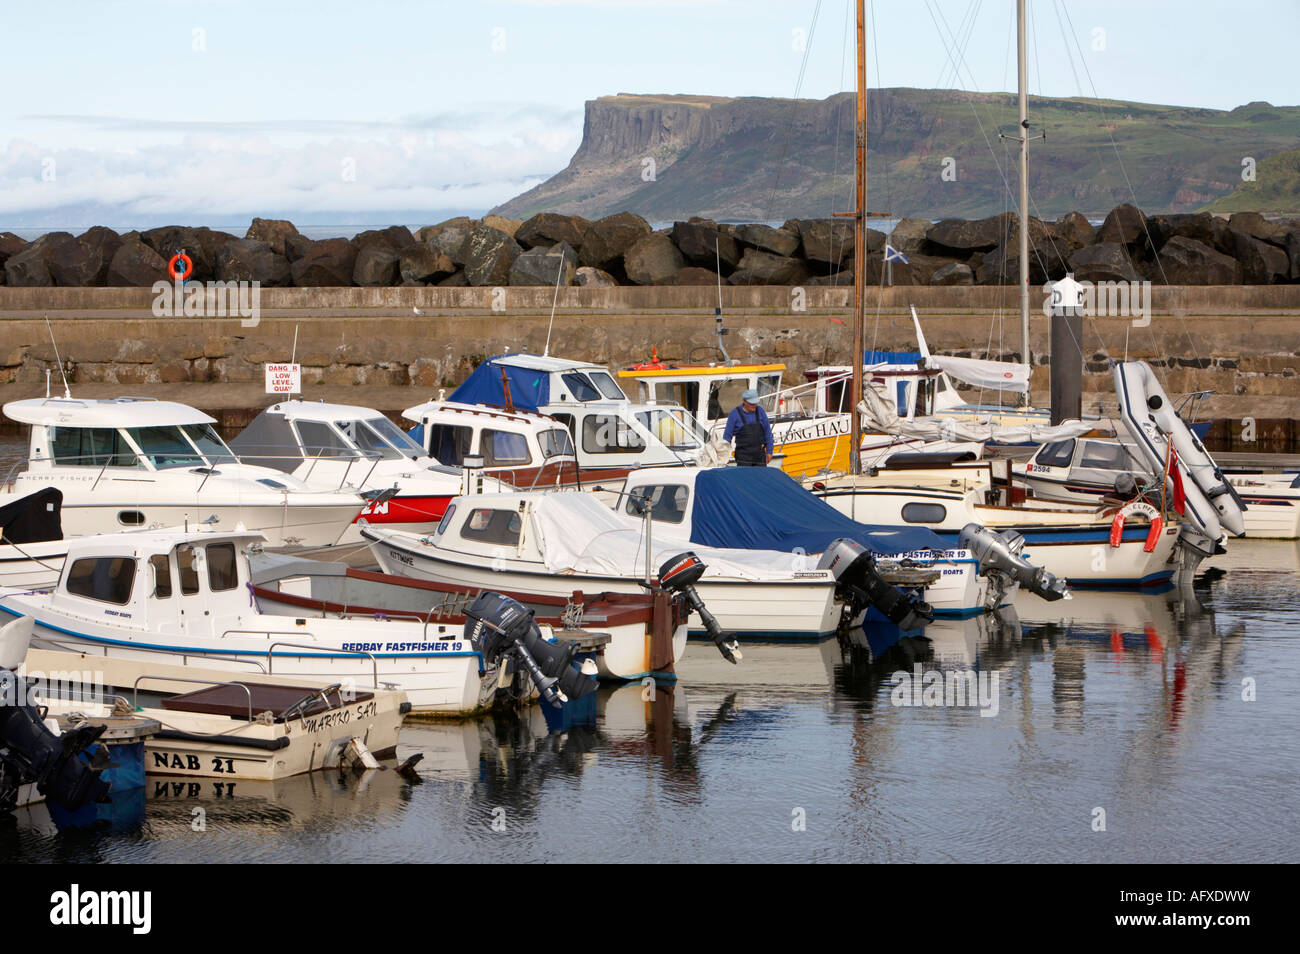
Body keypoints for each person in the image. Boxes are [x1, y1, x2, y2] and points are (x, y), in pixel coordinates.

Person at [723, 389, 773, 467]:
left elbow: (768, 433)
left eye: (755, 403)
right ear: (744, 401)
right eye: (751, 404)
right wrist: (725, 455)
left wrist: (769, 451)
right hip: (743, 457)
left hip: (759, 456)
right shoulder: (734, 414)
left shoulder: (760, 411)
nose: (754, 406)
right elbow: (727, 436)